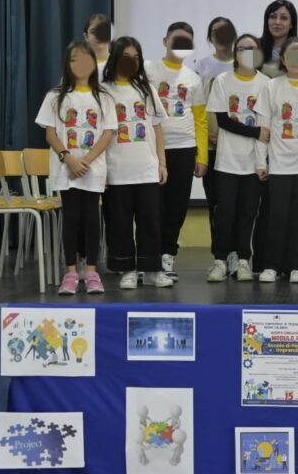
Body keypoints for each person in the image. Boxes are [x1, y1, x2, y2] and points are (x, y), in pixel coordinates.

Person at [34, 41, 116, 295]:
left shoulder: (103, 97)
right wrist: (69, 159)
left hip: (93, 168)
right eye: (73, 59)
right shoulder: (55, 96)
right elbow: (50, 134)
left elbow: (107, 133)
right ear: (67, 65)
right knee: (70, 218)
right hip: (65, 168)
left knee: (92, 217)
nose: (80, 64)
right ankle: (71, 272)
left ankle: (91, 272)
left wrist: (86, 161)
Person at [101, 36, 173, 289]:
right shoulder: (104, 90)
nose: (131, 61)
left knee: (151, 222)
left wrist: (162, 163)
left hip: (146, 169)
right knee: (119, 222)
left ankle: (151, 270)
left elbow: (158, 128)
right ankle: (126, 269)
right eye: (125, 56)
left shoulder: (147, 90)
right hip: (116, 170)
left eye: (136, 57)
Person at [254, 37, 298, 283]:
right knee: (276, 215)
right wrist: (261, 163)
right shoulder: (271, 87)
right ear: (283, 59)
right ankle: (272, 265)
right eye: (292, 54)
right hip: (279, 163)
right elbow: (262, 128)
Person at [146, 22, 208, 282]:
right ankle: (148, 258)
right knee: (151, 206)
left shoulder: (193, 78)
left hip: (184, 148)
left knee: (176, 206)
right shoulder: (147, 69)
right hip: (150, 148)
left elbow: (201, 119)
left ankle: (167, 255)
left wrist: (202, 156)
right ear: (165, 41)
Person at [206, 33, 270, 282]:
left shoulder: (266, 83)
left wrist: (261, 161)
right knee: (224, 213)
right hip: (226, 161)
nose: (246, 52)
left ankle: (243, 259)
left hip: (253, 162)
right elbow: (222, 121)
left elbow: (267, 123)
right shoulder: (222, 81)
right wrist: (255, 132)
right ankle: (220, 260)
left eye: (251, 48)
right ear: (235, 53)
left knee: (248, 213)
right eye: (242, 48)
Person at [195, 16, 237, 280]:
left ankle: (237, 253)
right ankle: (219, 256)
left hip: (238, 148)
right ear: (209, 38)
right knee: (217, 206)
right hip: (211, 147)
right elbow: (197, 108)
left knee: (238, 205)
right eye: (215, 32)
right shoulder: (202, 66)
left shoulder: (244, 64)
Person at [259, 0, 298, 79]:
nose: (277, 22)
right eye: (273, 17)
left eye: (283, 18)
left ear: (292, 24)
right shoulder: (254, 47)